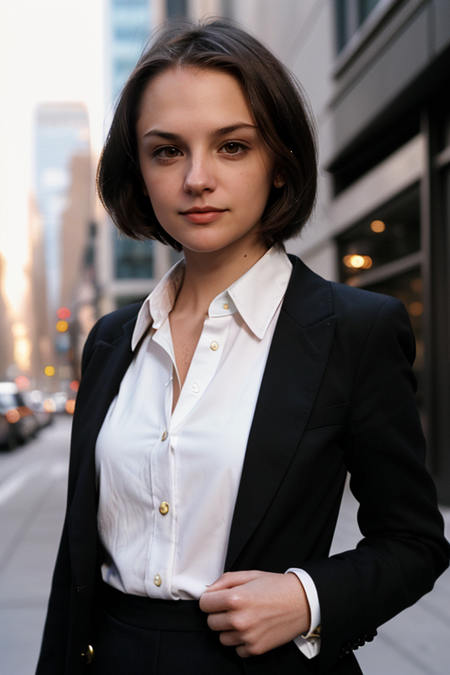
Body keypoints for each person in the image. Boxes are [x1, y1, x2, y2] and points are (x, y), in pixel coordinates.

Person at [36, 19, 449, 675]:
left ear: (279, 162)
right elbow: (76, 565)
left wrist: (308, 597)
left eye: (231, 146)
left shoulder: (355, 329)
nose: (197, 178)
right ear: (138, 172)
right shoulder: (112, 340)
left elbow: (414, 541)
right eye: (167, 151)